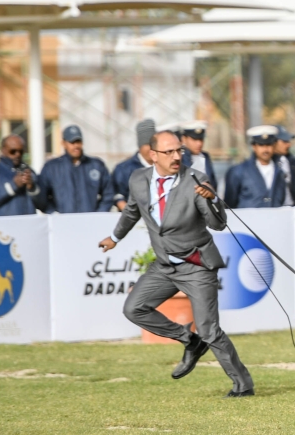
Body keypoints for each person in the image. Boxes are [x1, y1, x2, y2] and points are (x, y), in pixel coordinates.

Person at [97, 130, 254, 397]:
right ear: (153, 155)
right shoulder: (138, 179)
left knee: (209, 330)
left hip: (196, 264)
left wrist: (212, 199)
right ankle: (189, 341)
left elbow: (218, 224)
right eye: (169, 152)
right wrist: (114, 238)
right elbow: (133, 210)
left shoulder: (196, 180)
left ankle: (243, 384)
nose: (176, 156)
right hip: (164, 266)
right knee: (134, 308)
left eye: (179, 150)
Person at [39, 125, 114, 213]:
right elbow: (42, 197)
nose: (76, 146)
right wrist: (54, 214)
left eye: (78, 142)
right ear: (63, 143)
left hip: (90, 223)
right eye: (72, 142)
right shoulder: (51, 168)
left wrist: (99, 214)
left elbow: (108, 193)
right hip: (63, 224)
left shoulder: (96, 165)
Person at [0, 135, 46, 216]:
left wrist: (31, 187)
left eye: (20, 151)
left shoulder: (30, 172)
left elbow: (43, 205)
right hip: (3, 227)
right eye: (13, 151)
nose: (17, 155)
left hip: (28, 226)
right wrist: (13, 186)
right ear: (3, 150)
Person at [223, 126, 287, 209]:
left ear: (274, 145)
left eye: (269, 145)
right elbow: (230, 203)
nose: (265, 149)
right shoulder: (239, 171)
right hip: (248, 221)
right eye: (261, 145)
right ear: (254, 146)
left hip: (274, 220)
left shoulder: (281, 170)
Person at [112, 118, 156, 211]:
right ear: (140, 145)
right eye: (147, 144)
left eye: (153, 144)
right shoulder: (124, 169)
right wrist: (127, 210)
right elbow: (116, 194)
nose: (150, 148)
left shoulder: (164, 166)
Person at [179, 120, 218, 188]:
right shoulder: (179, 157)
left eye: (201, 139)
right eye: (194, 139)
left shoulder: (205, 157)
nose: (199, 144)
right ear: (184, 139)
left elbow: (213, 183)